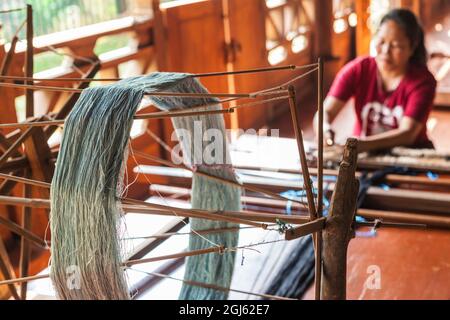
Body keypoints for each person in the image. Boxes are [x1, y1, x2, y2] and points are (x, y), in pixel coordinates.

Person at [314, 8, 436, 153]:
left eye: (395, 45)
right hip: (363, 153)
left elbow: (407, 134)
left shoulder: (423, 82)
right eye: (381, 41)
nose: (385, 50)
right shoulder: (358, 69)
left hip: (409, 153)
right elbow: (324, 112)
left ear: (412, 47)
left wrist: (359, 145)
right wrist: (325, 130)